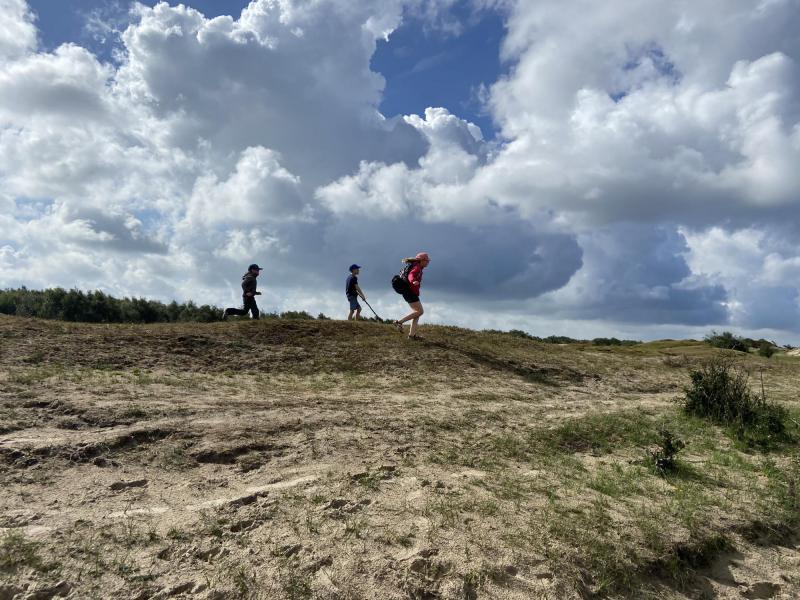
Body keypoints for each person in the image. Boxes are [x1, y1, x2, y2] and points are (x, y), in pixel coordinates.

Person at [393, 252, 430, 339]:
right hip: (410, 292)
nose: (428, 262)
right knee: (420, 312)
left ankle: (412, 335)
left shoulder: (416, 266)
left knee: (417, 313)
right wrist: (413, 281)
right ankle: (399, 322)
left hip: (408, 292)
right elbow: (411, 275)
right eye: (426, 260)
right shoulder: (417, 267)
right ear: (421, 260)